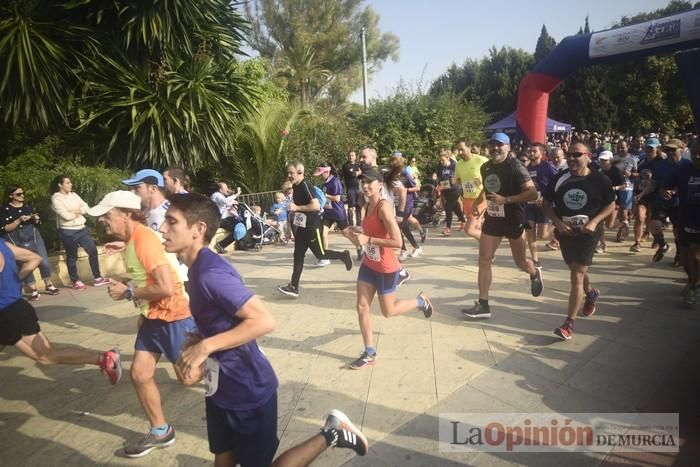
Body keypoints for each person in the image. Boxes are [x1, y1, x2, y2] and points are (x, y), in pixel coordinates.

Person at [161, 193, 367, 466]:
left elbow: (263, 321)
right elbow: (228, 317)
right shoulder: (196, 270)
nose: (162, 228)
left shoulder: (210, 273)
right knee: (222, 458)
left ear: (198, 229)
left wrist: (206, 346)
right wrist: (204, 336)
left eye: (171, 222)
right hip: (220, 388)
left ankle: (331, 433)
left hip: (246, 390)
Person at [86, 190, 194, 458]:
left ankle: (224, 354)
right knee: (139, 373)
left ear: (126, 214)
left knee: (189, 378)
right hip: (152, 317)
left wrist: (128, 292)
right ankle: (161, 431)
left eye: (107, 215)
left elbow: (166, 287)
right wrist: (127, 274)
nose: (102, 220)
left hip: (173, 317)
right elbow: (145, 275)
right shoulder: (135, 239)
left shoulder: (143, 240)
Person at [343, 168, 433, 369]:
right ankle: (369, 352)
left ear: (379, 184)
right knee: (362, 306)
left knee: (388, 312)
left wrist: (368, 239)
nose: (365, 186)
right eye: (363, 183)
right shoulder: (367, 205)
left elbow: (397, 241)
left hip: (385, 268)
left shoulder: (383, 207)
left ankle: (421, 301)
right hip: (369, 265)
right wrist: (354, 232)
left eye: (369, 182)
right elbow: (370, 232)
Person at [0, 239, 121, 383]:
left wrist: (13, 281)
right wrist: (15, 280)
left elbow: (34, 258)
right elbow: (34, 258)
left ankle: (105, 359)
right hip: (11, 308)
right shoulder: (3, 244)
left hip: (10, 312)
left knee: (47, 357)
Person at [462, 132, 543, 320]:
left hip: (514, 219)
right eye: (492, 145)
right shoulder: (486, 167)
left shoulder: (516, 167)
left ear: (508, 147)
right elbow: (487, 187)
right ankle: (483, 305)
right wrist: (477, 201)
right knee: (484, 259)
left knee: (520, 262)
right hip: (494, 218)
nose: (495, 148)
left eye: (499, 144)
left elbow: (532, 193)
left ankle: (534, 272)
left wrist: (506, 199)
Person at [542, 143, 615, 340]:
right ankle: (591, 294)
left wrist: (595, 221)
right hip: (566, 233)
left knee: (577, 276)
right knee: (576, 269)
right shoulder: (560, 178)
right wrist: (557, 223)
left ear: (588, 156)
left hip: (588, 234)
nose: (572, 158)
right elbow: (546, 203)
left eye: (577, 154)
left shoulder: (600, 180)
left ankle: (568, 324)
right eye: (569, 154)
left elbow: (610, 205)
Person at [277, 162, 353, 298]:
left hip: (312, 226)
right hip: (302, 227)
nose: (288, 175)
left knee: (321, 254)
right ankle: (294, 287)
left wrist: (296, 208)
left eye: (291, 173)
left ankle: (343, 255)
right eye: (288, 173)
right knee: (298, 255)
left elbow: (316, 206)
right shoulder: (295, 186)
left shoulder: (306, 186)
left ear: (300, 172)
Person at [358, 146, 412, 284]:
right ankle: (398, 273)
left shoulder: (383, 173)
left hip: (384, 213)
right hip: (373, 214)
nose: (361, 159)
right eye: (360, 157)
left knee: (388, 247)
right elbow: (363, 199)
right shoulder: (364, 175)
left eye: (364, 157)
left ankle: (395, 274)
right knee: (377, 251)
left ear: (373, 157)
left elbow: (403, 191)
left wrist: (400, 213)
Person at [49, 175, 107, 289]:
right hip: (67, 231)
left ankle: (97, 277)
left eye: (70, 182)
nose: (70, 184)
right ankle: (75, 281)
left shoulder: (74, 195)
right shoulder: (56, 198)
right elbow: (66, 216)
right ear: (60, 185)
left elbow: (86, 207)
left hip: (81, 228)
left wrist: (74, 211)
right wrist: (79, 211)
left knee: (92, 251)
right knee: (72, 256)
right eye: (67, 183)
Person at [2, 185, 59, 300]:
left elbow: (38, 223)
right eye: (18, 194)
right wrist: (18, 220)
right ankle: (33, 289)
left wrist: (36, 219)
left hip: (32, 233)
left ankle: (48, 284)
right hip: (15, 236)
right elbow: (4, 228)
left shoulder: (28, 206)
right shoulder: (3, 210)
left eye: (23, 193)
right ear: (10, 195)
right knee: (24, 263)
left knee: (43, 260)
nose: (22, 196)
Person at [663, 141, 700, 305]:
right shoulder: (683, 170)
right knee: (685, 260)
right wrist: (665, 191)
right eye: (694, 153)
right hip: (685, 219)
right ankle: (693, 280)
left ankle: (694, 287)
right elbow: (665, 186)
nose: (697, 156)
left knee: (695, 256)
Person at [524, 143, 558, 267]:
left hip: (544, 205)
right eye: (530, 151)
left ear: (541, 153)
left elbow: (556, 182)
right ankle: (535, 259)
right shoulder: (526, 168)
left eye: (534, 151)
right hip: (529, 205)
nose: (531, 153)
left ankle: (559, 234)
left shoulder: (547, 166)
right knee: (529, 231)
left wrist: (546, 197)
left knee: (542, 235)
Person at [630, 138, 665, 252]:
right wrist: (635, 193)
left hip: (656, 195)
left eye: (651, 147)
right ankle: (637, 243)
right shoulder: (641, 161)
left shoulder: (661, 162)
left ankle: (654, 237)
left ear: (657, 148)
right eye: (647, 147)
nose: (649, 149)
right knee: (640, 217)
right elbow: (638, 178)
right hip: (642, 194)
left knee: (651, 218)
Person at [455, 138, 488, 241]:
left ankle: (490, 243)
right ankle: (487, 255)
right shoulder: (459, 164)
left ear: (469, 147)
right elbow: (458, 181)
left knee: (469, 230)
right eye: (458, 150)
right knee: (476, 229)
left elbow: (492, 176)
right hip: (467, 200)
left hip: (480, 199)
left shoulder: (481, 160)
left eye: (462, 149)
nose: (460, 152)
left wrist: (480, 181)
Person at [315, 163, 348, 265]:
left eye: (321, 174)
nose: (320, 176)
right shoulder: (324, 183)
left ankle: (360, 247)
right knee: (322, 233)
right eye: (319, 175)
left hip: (338, 212)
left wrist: (324, 194)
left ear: (327, 171)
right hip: (327, 213)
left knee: (347, 233)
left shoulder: (335, 182)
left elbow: (337, 198)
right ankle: (325, 257)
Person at [597, 151, 625, 253]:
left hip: (614, 199)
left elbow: (624, 185)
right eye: (601, 160)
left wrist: (613, 188)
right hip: (600, 200)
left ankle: (622, 224)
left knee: (609, 225)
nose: (603, 162)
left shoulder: (616, 171)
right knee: (599, 223)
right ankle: (602, 244)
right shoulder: (598, 171)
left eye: (605, 160)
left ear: (610, 160)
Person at [433, 149, 465, 236]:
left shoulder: (454, 165)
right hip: (445, 189)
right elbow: (438, 175)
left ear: (448, 158)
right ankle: (463, 221)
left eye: (443, 160)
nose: (441, 162)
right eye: (440, 160)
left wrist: (441, 186)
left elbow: (454, 181)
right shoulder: (440, 165)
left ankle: (448, 228)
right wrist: (436, 178)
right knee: (454, 207)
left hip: (455, 189)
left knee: (448, 206)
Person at [613, 140, 638, 242]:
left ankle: (622, 232)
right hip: (615, 187)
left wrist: (631, 174)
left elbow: (638, 174)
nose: (620, 149)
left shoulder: (632, 159)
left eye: (622, 147)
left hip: (627, 187)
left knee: (623, 209)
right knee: (618, 211)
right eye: (618, 147)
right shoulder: (614, 159)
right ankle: (622, 228)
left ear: (628, 147)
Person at [211, 181, 242, 254]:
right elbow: (224, 201)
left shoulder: (221, 196)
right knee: (237, 230)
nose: (227, 189)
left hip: (225, 219)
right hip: (219, 220)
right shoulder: (216, 195)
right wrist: (236, 194)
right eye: (225, 188)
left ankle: (241, 243)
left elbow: (226, 203)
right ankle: (220, 245)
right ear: (220, 189)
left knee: (241, 225)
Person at [341, 151, 363, 227]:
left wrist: (358, 173)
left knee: (358, 206)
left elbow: (361, 175)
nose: (351, 157)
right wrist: (358, 173)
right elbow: (352, 175)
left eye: (353, 155)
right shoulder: (346, 166)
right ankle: (350, 224)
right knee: (351, 207)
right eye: (349, 155)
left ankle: (359, 223)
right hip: (350, 189)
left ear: (355, 156)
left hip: (358, 188)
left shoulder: (358, 165)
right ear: (347, 156)